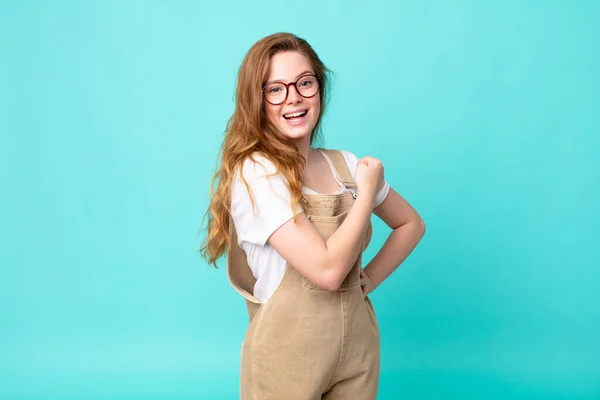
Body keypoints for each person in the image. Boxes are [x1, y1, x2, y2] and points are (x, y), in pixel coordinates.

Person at [201, 32, 425, 399]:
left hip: (357, 351)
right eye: (275, 89)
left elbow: (411, 225)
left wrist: (369, 279)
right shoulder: (257, 172)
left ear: (319, 88)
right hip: (285, 356)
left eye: (304, 83)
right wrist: (366, 194)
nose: (293, 97)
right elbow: (328, 271)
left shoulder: (346, 165)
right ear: (256, 100)